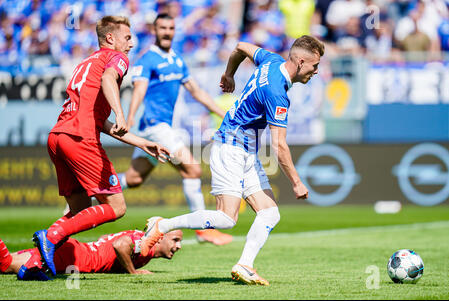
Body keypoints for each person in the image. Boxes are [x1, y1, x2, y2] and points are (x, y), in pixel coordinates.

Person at [140, 35, 324, 286]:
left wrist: (229, 75)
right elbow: (279, 145)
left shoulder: (270, 60)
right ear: (301, 61)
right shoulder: (277, 93)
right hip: (231, 148)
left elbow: (240, 47)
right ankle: (163, 225)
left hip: (245, 151)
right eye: (314, 66)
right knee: (226, 218)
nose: (316, 71)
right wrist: (296, 182)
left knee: (269, 213)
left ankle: (244, 265)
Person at [32, 16, 170, 277]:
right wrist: (120, 112)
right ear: (111, 38)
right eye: (127, 38)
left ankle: (35, 262)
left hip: (57, 137)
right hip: (80, 139)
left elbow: (98, 120)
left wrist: (141, 142)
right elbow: (109, 80)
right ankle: (51, 236)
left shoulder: (86, 63)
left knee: (79, 210)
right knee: (117, 207)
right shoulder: (115, 58)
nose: (131, 43)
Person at [118, 13, 232, 246]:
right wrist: (128, 118)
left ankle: (91, 192)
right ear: (155, 30)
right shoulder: (148, 59)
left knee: (134, 179)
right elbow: (139, 90)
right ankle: (204, 230)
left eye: (171, 27)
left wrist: (224, 114)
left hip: (155, 128)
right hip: (154, 125)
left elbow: (197, 92)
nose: (167, 32)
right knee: (192, 170)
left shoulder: (177, 61)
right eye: (162, 28)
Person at [0, 230, 183, 280]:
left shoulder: (143, 242)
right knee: (6, 265)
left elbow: (105, 238)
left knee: (4, 263)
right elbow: (119, 245)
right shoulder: (146, 245)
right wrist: (133, 272)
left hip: (77, 252)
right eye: (175, 239)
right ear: (160, 237)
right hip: (76, 259)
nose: (179, 245)